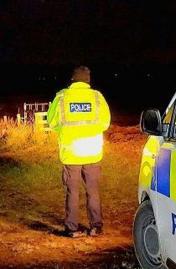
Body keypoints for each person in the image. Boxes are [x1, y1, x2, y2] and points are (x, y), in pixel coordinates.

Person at [47, 66, 111, 238]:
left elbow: (52, 123)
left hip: (71, 152)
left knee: (72, 192)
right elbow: (105, 123)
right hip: (92, 152)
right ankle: (96, 227)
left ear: (72, 80)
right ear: (88, 80)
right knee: (93, 190)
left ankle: (72, 229)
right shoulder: (97, 97)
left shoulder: (62, 97)